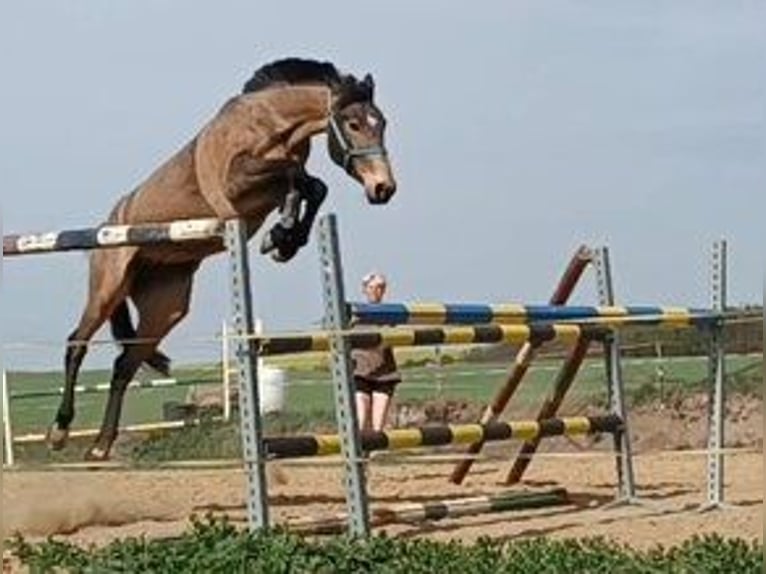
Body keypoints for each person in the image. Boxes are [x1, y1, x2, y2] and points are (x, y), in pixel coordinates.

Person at [351, 271, 401, 432]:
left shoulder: (389, 314)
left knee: (377, 428)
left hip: (384, 374)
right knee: (360, 418)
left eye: (380, 287)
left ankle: (369, 455)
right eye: (372, 287)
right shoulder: (354, 314)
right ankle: (357, 455)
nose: (376, 291)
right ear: (364, 289)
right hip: (360, 373)